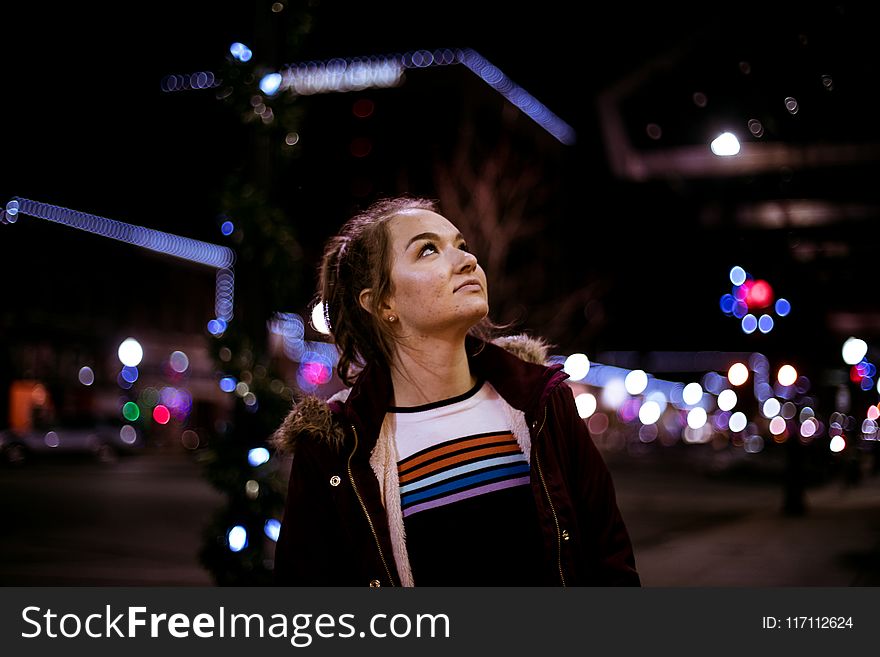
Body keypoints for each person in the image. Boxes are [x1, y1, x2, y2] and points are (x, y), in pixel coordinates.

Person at [272, 195, 640, 587]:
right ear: (382, 303)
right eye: (428, 250)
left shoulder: (542, 403)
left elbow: (610, 561)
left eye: (462, 246)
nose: (467, 261)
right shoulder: (336, 447)